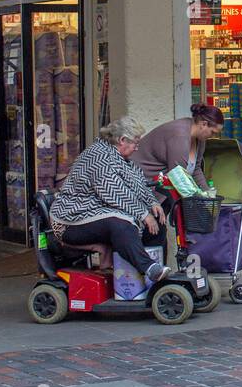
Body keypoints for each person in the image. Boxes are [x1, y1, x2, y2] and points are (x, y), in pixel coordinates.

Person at [48, 116, 170, 284]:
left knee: (156, 219)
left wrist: (152, 203)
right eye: (135, 143)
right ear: (122, 140)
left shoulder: (121, 158)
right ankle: (149, 268)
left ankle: (157, 270)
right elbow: (114, 192)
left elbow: (138, 183)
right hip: (71, 219)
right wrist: (143, 213)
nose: (137, 148)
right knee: (120, 224)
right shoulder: (99, 157)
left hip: (97, 212)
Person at [133, 103, 224, 191]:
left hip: (161, 186)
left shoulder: (200, 139)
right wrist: (199, 197)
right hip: (142, 183)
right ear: (203, 124)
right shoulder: (180, 135)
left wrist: (207, 193)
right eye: (213, 132)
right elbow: (179, 177)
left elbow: (196, 169)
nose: (213, 136)